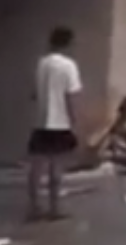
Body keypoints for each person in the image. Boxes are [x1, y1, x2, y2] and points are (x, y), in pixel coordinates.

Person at [26, 27, 83, 222]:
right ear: (68, 43)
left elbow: (34, 94)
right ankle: (54, 208)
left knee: (36, 167)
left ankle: (34, 207)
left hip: (40, 122)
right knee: (56, 168)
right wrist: (75, 120)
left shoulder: (41, 64)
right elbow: (71, 96)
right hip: (60, 122)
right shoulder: (69, 66)